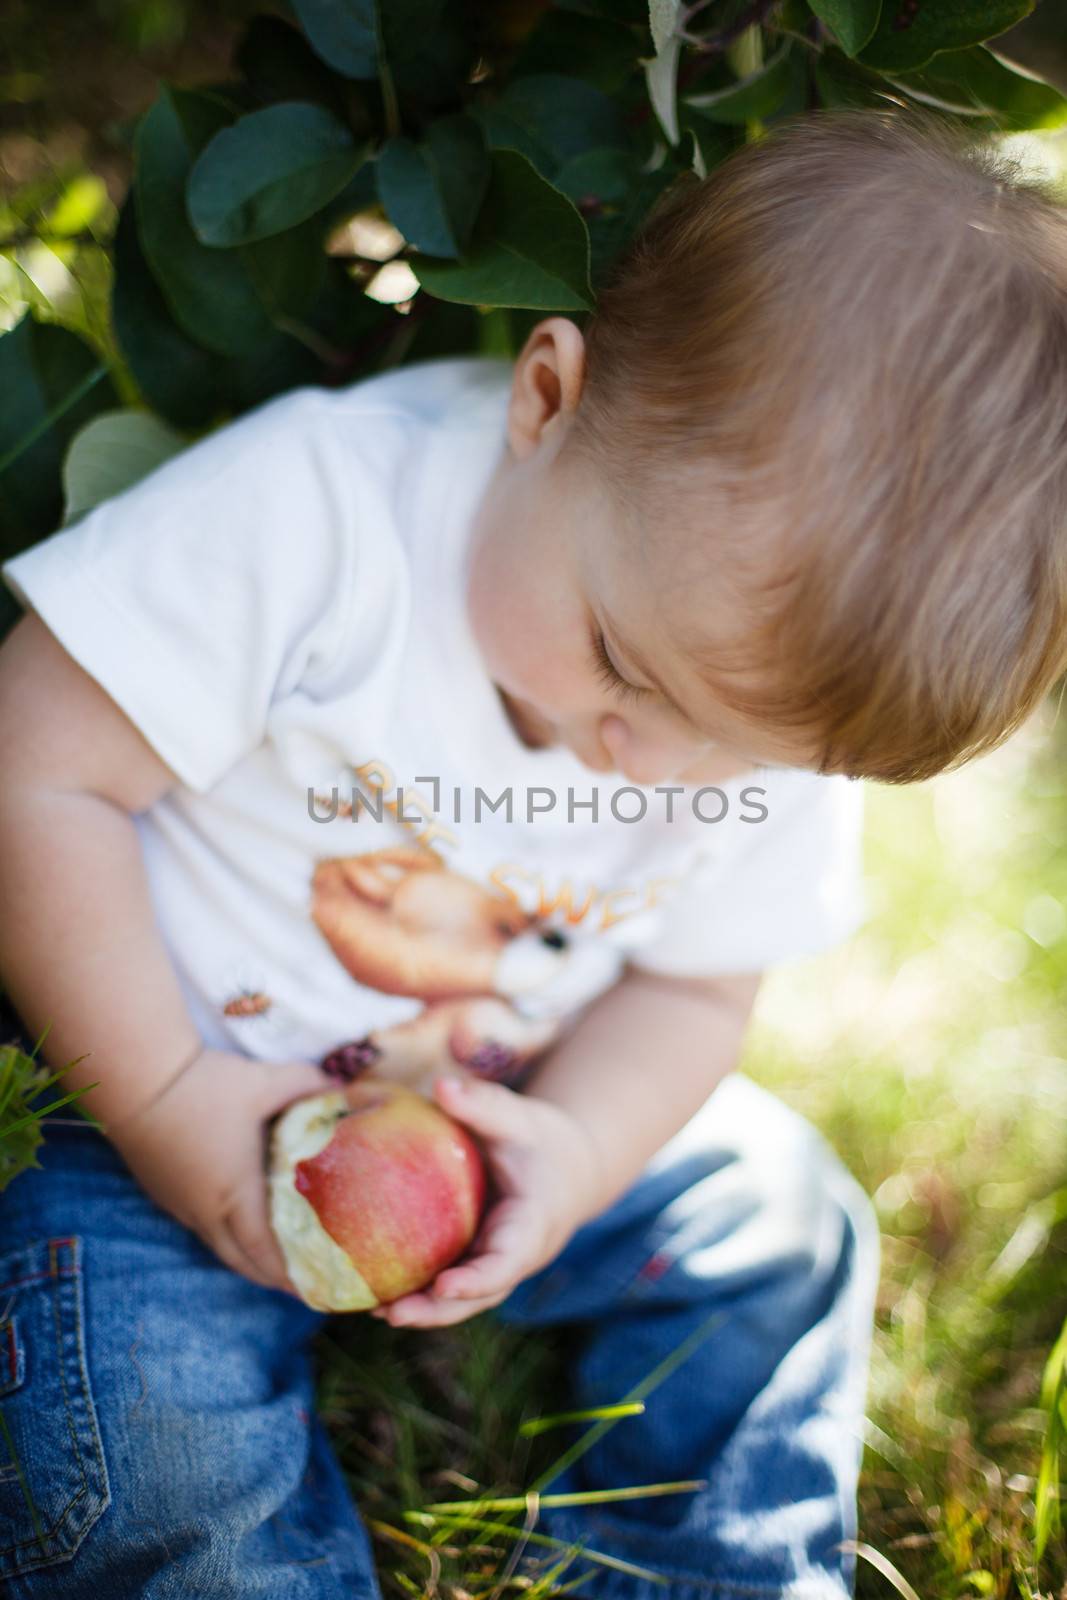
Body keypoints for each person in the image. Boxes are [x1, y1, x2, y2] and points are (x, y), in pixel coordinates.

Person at [0, 101, 1065, 1598]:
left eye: (748, 749)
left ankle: (696, 1573)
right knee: (138, 1429)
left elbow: (690, 996)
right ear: (547, 400)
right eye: (625, 665)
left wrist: (574, 1150)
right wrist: (168, 1099)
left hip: (506, 1118)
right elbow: (36, 766)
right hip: (162, 1109)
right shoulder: (324, 521)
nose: (659, 764)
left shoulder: (740, 691)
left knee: (781, 1219)